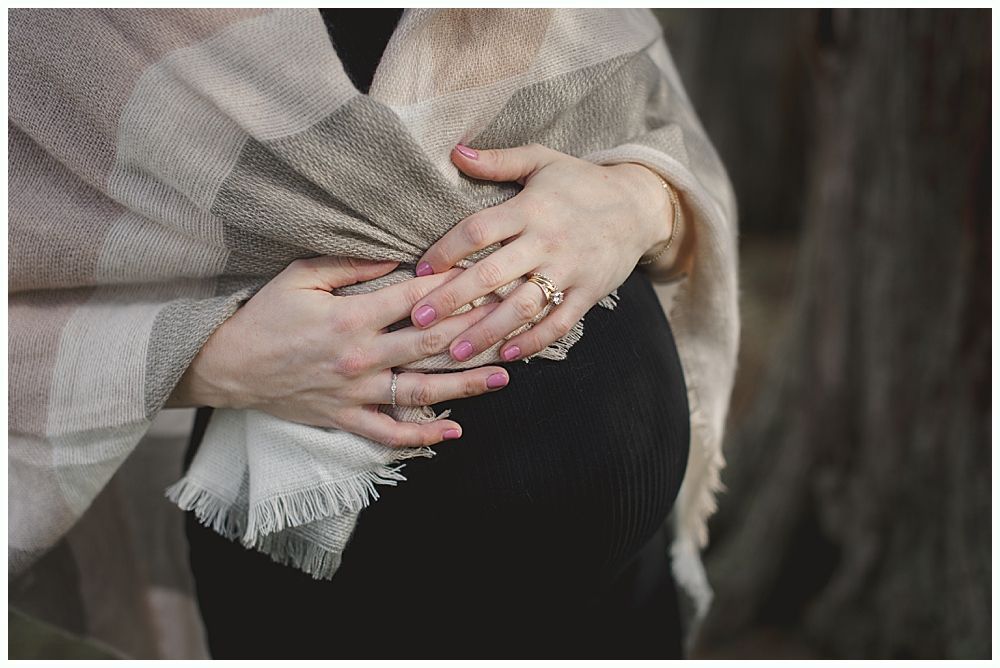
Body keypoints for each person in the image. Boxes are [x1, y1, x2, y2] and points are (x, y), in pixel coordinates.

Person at [9, 8, 738, 660]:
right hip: (337, 609)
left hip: (625, 592)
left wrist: (639, 203)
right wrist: (208, 360)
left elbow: (656, 123)